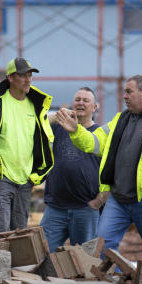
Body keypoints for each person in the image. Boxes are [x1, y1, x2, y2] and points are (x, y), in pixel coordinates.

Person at [55, 74, 142, 261]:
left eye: (128, 92)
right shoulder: (120, 121)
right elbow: (94, 142)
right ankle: (115, 282)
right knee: (103, 247)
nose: (124, 96)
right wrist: (76, 131)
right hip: (118, 201)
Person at [0, 57, 54, 233]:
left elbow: (45, 142)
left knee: (20, 233)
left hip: (25, 181)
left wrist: (36, 175)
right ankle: (0, 262)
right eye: (22, 75)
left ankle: (17, 262)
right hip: (0, 179)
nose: (28, 79)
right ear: (10, 78)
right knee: (1, 233)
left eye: (30, 75)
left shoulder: (36, 106)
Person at [40, 87, 102, 251]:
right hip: (55, 208)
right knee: (43, 253)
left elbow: (114, 171)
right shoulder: (58, 128)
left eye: (86, 100)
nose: (80, 103)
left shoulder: (100, 134)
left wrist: (99, 201)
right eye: (77, 100)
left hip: (85, 209)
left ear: (94, 107)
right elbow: (35, 125)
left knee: (85, 260)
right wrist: (57, 116)